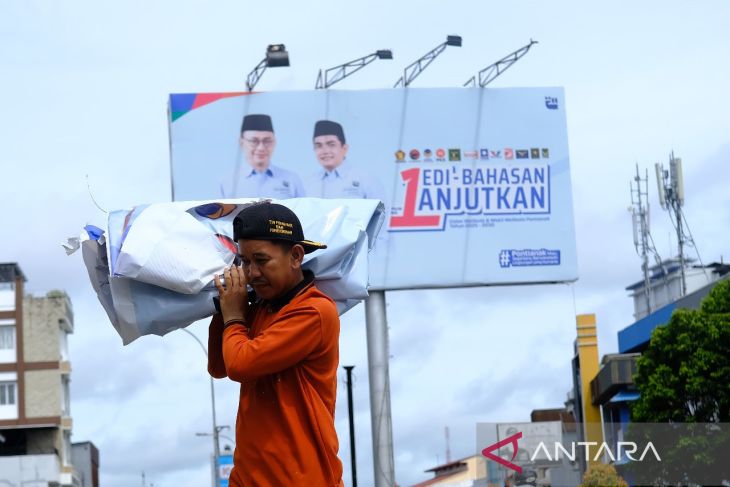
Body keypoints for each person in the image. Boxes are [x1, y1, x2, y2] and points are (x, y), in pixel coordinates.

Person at [208, 201, 344, 486]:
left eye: (261, 260)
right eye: (244, 261)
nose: (252, 272)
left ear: (296, 256)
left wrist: (234, 317)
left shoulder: (314, 311)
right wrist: (224, 312)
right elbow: (218, 366)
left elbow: (240, 365)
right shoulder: (259, 309)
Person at [223, 114, 305, 199]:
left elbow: (303, 211)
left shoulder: (292, 179)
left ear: (275, 142)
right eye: (254, 141)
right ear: (241, 143)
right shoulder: (227, 182)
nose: (261, 148)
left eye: (267, 141)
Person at [304, 120, 385, 202]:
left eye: (331, 144)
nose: (325, 151)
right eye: (319, 146)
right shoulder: (308, 183)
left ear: (344, 148)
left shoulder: (366, 180)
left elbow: (382, 213)